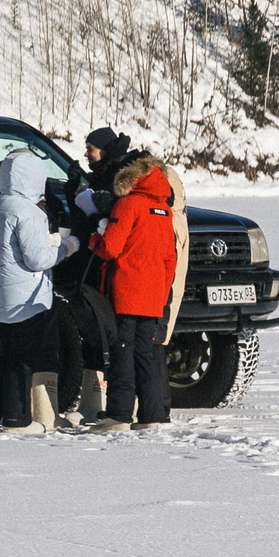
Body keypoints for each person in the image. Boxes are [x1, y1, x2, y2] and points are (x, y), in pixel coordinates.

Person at [0, 150, 73, 433]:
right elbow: (37, 259)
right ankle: (17, 420)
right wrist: (66, 247)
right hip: (26, 299)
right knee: (21, 361)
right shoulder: (29, 210)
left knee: (7, 357)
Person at [90, 151, 180, 429]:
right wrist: (162, 290)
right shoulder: (164, 210)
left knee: (122, 354)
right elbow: (170, 258)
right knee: (146, 355)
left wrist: (94, 239)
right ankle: (151, 415)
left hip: (127, 291)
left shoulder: (128, 205)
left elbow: (110, 248)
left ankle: (118, 414)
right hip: (153, 295)